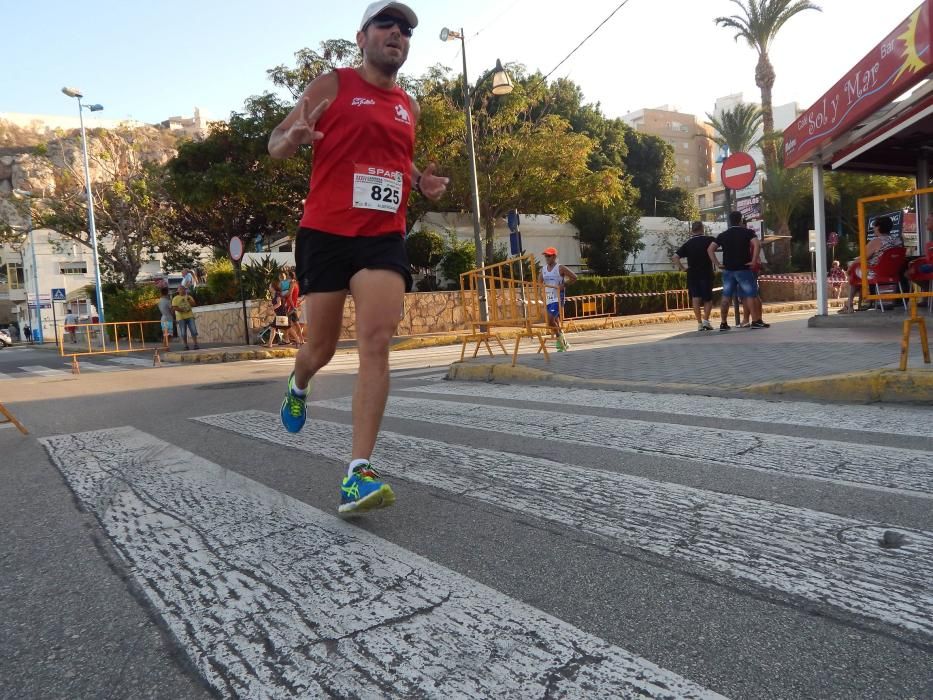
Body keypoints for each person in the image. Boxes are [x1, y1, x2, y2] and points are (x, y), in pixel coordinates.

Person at [268, 0, 448, 514]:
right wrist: (293, 139)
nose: (397, 34)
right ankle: (298, 384)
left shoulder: (408, 107)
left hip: (381, 237)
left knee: (376, 340)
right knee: (320, 349)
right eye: (385, 26)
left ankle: (357, 472)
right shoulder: (334, 85)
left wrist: (420, 181)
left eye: (405, 31)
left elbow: (395, 157)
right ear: (362, 36)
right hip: (325, 233)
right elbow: (275, 141)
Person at [708, 211, 769, 330]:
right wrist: (754, 260)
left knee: (726, 296)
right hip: (743, 269)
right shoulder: (747, 232)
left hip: (728, 270)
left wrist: (717, 264)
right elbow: (757, 245)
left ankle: (723, 323)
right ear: (740, 220)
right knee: (750, 295)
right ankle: (755, 321)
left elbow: (710, 249)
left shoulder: (723, 235)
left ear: (730, 221)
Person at [839, 215, 904, 313]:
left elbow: (862, 258)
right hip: (894, 273)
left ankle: (850, 304)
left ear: (878, 227)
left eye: (874, 226)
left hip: (877, 273)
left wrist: (850, 267)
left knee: (854, 269)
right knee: (857, 270)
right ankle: (853, 303)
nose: (873, 228)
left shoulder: (876, 241)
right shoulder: (898, 241)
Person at [672, 221, 716, 331]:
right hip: (706, 273)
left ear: (692, 230)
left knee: (695, 299)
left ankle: (699, 323)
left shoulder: (688, 244)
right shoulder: (709, 240)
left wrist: (683, 268)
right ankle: (706, 320)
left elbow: (675, 257)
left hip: (692, 274)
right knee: (708, 299)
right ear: (702, 228)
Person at [541, 247, 578, 351]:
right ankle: (563, 343)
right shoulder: (543, 269)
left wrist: (564, 285)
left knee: (550, 320)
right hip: (548, 298)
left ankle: (560, 341)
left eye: (549, 255)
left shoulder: (560, 268)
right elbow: (538, 281)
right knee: (554, 322)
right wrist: (540, 289)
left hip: (558, 297)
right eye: (545, 256)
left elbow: (574, 277)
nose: (547, 258)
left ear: (554, 256)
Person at [171, 286, 200, 350]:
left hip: (190, 316)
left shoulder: (189, 297)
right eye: (180, 289)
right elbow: (174, 307)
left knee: (194, 331)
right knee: (183, 333)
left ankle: (196, 344)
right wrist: (183, 310)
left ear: (185, 290)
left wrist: (188, 299)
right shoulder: (175, 298)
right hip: (181, 318)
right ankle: (185, 345)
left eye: (183, 289)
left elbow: (194, 304)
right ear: (178, 291)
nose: (182, 290)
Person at [267, 281, 289, 348]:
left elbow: (279, 304)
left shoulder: (278, 294)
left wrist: (271, 308)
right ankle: (297, 340)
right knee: (287, 328)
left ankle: (270, 344)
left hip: (281, 313)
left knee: (274, 327)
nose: (269, 287)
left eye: (270, 286)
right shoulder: (274, 294)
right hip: (279, 313)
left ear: (273, 287)